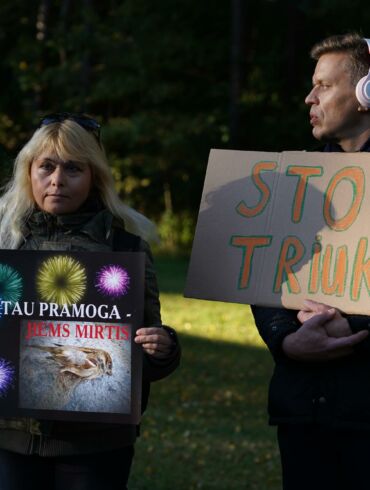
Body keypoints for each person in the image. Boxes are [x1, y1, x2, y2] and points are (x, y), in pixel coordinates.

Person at [0, 112, 181, 490]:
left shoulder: (125, 248)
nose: (56, 181)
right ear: (28, 171)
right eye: (46, 166)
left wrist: (162, 348)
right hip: (9, 440)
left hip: (95, 446)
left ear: (94, 176)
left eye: (73, 169)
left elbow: (143, 356)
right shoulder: (6, 244)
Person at [251, 33, 370, 490]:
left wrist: (358, 328)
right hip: (304, 408)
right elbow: (261, 275)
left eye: (323, 85)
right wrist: (285, 340)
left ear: (365, 95)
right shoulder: (294, 179)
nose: (310, 97)